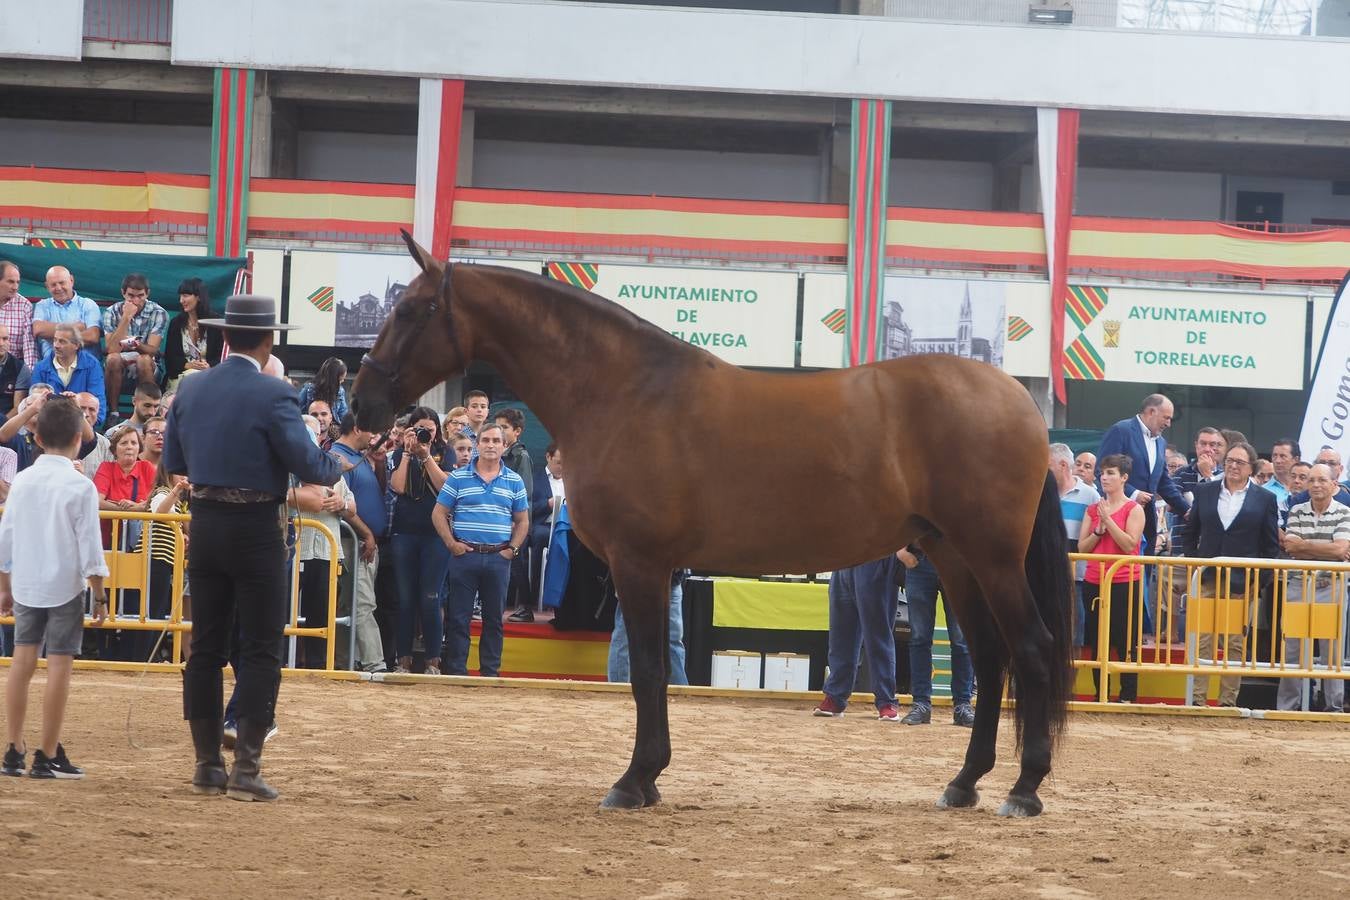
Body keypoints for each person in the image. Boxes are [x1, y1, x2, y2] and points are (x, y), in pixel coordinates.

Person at [163, 293, 339, 801]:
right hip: (257, 526)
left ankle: (205, 766)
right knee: (261, 648)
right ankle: (246, 769)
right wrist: (336, 465)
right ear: (268, 340)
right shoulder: (274, 393)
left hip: (207, 522)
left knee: (205, 646)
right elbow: (307, 462)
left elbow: (175, 456)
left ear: (223, 336)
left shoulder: (190, 389)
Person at [0, 396, 109, 778]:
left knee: (21, 663)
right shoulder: (80, 486)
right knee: (59, 665)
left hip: (27, 582)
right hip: (65, 585)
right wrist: (99, 593)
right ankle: (47, 754)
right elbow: (91, 548)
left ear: (38, 436)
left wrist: (5, 586)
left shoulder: (23, 480)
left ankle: (12, 750)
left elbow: (5, 537)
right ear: (79, 438)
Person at [1183, 441, 1280, 708]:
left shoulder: (1265, 499)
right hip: (1206, 576)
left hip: (1242, 581)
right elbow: (1190, 532)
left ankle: (1228, 701)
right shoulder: (1205, 491)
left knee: (1235, 642)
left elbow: (1271, 546)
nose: (1233, 466)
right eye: (1229, 461)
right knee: (1202, 638)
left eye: (1240, 462)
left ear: (1252, 468)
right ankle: (1197, 699)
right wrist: (1195, 563)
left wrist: (1258, 583)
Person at [433, 422, 529, 678]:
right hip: (465, 557)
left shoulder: (515, 480)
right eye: (485, 440)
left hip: (499, 558)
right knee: (458, 619)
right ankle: (456, 672)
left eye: (496, 441)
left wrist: (512, 550)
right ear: (478, 444)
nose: (490, 445)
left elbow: (523, 520)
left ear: (504, 446)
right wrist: (451, 544)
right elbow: (438, 513)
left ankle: (490, 673)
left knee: (494, 621)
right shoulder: (458, 477)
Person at [1276, 463, 1350, 712]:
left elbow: (1341, 549)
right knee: (1293, 647)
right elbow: (1290, 546)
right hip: (1298, 584)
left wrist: (1306, 546)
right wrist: (1327, 549)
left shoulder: (1344, 512)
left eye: (1322, 480)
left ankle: (1334, 707)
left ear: (1334, 485)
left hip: (1332, 585)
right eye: (1312, 480)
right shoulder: (1296, 510)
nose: (1316, 484)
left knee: (1332, 649)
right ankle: (1288, 707)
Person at [1077, 453, 1146, 703]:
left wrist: (1108, 521)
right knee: (1097, 639)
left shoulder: (1133, 508)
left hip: (1125, 580)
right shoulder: (1093, 509)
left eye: (1110, 473)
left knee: (1127, 639)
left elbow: (1130, 545)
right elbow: (1082, 549)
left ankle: (1127, 695)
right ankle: (1101, 693)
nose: (1104, 477)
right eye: (1103, 473)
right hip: (1094, 580)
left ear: (1124, 478)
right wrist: (1099, 529)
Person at [388, 406, 452, 674]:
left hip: (435, 535)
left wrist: (426, 457)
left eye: (431, 428)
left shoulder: (445, 452)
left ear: (437, 430)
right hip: (405, 532)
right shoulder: (398, 453)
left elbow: (444, 487)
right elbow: (398, 487)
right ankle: (402, 659)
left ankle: (433, 661)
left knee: (430, 597)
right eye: (420, 428)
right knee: (405, 599)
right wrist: (406, 452)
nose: (426, 433)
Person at [1096, 393, 1190, 556]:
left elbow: (1163, 481)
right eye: (1166, 418)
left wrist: (1187, 510)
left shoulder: (1161, 442)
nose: (1169, 423)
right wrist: (1133, 493)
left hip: (1146, 520)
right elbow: (1101, 470)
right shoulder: (1121, 430)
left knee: (1143, 571)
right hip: (1118, 515)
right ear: (1151, 411)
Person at [330, 413, 388, 672]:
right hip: (353, 541)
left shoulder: (357, 458)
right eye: (371, 431)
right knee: (364, 603)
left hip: (360, 541)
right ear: (357, 429)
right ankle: (375, 664)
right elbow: (343, 507)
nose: (374, 437)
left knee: (349, 604)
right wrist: (366, 534)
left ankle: (343, 662)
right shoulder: (339, 458)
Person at [811, 555, 903, 720]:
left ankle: (886, 701)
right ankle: (835, 696)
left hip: (875, 554)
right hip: (843, 560)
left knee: (878, 634)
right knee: (840, 635)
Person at [897, 546, 976, 725]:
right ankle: (921, 704)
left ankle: (963, 705)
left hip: (958, 561)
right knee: (919, 639)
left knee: (961, 640)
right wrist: (900, 551)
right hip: (920, 560)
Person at [1050, 442, 1100, 648]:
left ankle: (1070, 680)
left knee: (1073, 638)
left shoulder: (1091, 496)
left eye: (1048, 467)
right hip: (1047, 574)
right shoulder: (1041, 493)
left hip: (1076, 578)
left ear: (1062, 465)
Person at [102, 273, 168, 417]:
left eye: (141, 296)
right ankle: (113, 413)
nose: (136, 301)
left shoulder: (159, 312)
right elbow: (111, 349)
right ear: (123, 293)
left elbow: (152, 350)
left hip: (148, 365)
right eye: (131, 296)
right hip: (119, 364)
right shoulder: (111, 312)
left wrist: (132, 343)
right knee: (113, 358)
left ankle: (148, 414)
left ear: (147, 293)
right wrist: (126, 317)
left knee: (143, 359)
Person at [608, 571, 689, 686]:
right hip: (636, 581)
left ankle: (679, 691)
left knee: (624, 639)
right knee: (624, 639)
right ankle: (617, 690)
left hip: (669, 582)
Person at [496, 408, 535, 620]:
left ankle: (525, 606)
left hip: (517, 520)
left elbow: (525, 492)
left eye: (504, 427)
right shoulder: (498, 453)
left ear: (517, 431)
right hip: (500, 519)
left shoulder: (521, 455)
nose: (500, 431)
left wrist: (515, 520)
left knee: (518, 564)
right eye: (498, 426)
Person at [31, 323, 106, 428]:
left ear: (76, 345)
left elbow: (98, 408)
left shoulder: (92, 365)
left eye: (62, 341)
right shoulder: (41, 368)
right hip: (50, 428)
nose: (56, 345)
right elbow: (34, 404)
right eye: (55, 340)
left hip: (82, 427)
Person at [163, 277, 224, 391]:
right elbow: (170, 358)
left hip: (209, 377)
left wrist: (209, 365)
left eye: (185, 296)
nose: (181, 300)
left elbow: (223, 356)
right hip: (181, 377)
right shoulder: (176, 323)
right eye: (180, 296)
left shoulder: (216, 322)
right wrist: (188, 365)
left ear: (199, 297)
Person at [32, 265, 101, 359]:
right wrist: (76, 327)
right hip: (52, 367)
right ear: (47, 286)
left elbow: (92, 336)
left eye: (61, 283)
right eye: (53, 285)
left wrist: (54, 334)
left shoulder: (88, 304)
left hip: (84, 366)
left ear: (71, 281)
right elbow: (38, 329)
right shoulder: (42, 306)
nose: (58, 288)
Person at [527, 443, 565, 613]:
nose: (562, 467)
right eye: (559, 462)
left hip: (565, 527)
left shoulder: (573, 480)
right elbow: (527, 508)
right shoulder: (535, 478)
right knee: (542, 537)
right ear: (548, 457)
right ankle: (534, 593)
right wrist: (547, 505)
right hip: (542, 525)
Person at [0, 261, 37, 369]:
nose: (15, 287)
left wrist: (30, 375)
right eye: (11, 282)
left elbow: (29, 345)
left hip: (12, 368)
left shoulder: (24, 305)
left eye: (18, 282)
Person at [297, 356, 349, 423]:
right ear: (334, 378)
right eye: (340, 379)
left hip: (332, 427)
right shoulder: (309, 388)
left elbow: (343, 414)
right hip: (311, 425)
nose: (343, 381)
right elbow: (297, 409)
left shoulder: (340, 391)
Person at [75, 392, 112, 481]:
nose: (86, 414)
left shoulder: (105, 444)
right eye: (82, 408)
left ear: (97, 414)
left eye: (92, 409)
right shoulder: (60, 438)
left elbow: (109, 478)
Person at [0, 322, 33, 420]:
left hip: (6, 424)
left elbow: (18, 408)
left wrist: (2, 427)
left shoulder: (21, 368)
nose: (1, 343)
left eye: (5, 339)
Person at [1264, 438, 1299, 509]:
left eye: (1283, 456)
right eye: (1274, 456)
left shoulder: (1307, 488)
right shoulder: (1263, 492)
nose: (1277, 461)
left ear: (1296, 459)